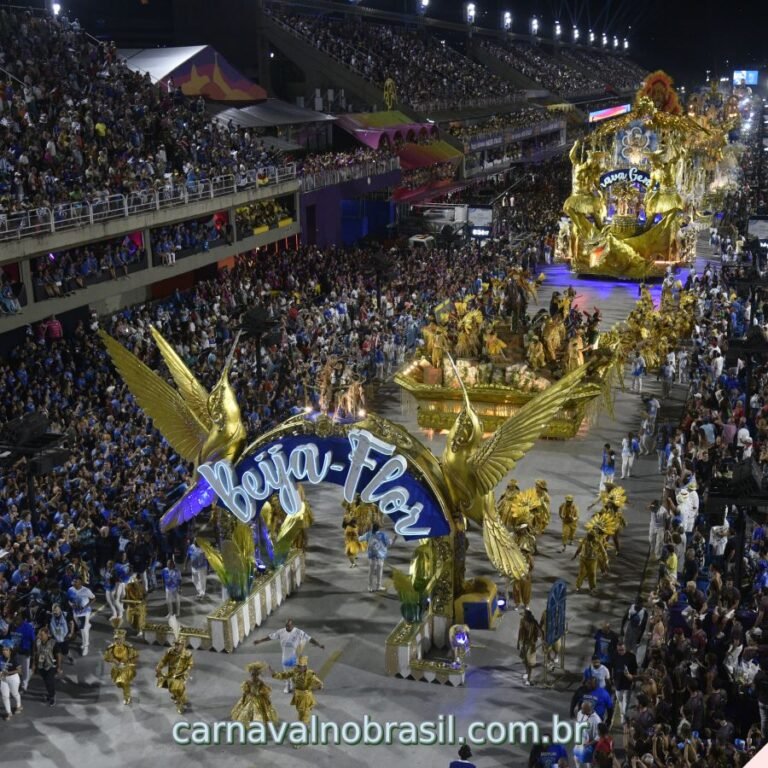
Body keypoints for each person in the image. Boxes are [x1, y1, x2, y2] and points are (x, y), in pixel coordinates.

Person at [253, 619, 324, 694]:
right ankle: (288, 685)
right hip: (285, 656)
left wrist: (319, 645)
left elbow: (309, 638)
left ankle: (301, 685)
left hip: (295, 657)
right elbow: (270, 637)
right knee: (286, 673)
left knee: (297, 673)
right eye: (286, 626)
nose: (288, 627)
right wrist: (260, 641)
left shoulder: (299, 632)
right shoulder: (281, 632)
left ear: (292, 625)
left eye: (289, 625)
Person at [269, 655, 323, 724]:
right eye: (297, 665)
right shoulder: (295, 671)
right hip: (298, 696)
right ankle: (303, 725)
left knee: (305, 714)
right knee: (300, 713)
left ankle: (305, 728)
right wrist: (274, 674)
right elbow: (285, 675)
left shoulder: (309, 674)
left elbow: (318, 682)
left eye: (300, 666)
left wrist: (318, 686)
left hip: (305, 697)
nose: (297, 667)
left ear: (304, 667)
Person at [155, 633, 194, 714]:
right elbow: (164, 661)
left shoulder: (187, 654)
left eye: (178, 645)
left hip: (181, 675)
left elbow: (190, 664)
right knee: (172, 689)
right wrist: (159, 666)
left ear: (182, 645)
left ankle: (180, 704)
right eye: (175, 644)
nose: (176, 646)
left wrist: (187, 670)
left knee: (177, 688)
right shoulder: (170, 652)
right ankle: (181, 697)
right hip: (171, 675)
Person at [103, 628, 139, 705]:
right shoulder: (111, 647)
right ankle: (125, 690)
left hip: (126, 669)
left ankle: (127, 697)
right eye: (117, 639)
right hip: (116, 669)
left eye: (120, 639)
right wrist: (113, 660)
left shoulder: (128, 647)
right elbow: (106, 657)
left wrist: (128, 662)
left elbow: (136, 656)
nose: (118, 641)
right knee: (119, 684)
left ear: (124, 639)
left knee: (125, 683)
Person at [358, 522, 392, 592]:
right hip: (380, 556)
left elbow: (360, 539)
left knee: (371, 571)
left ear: (372, 527)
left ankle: (370, 587)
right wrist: (394, 538)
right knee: (379, 571)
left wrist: (360, 533)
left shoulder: (368, 534)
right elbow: (389, 543)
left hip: (371, 555)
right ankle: (378, 586)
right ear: (379, 528)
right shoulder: (383, 535)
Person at [67, 575, 95, 655]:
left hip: (85, 612)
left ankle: (85, 646)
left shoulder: (86, 590)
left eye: (76, 581)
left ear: (80, 583)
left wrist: (86, 606)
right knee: (82, 627)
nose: (74, 583)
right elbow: (69, 600)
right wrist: (71, 605)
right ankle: (88, 625)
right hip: (75, 612)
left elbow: (93, 598)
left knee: (83, 629)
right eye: (74, 581)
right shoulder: (70, 589)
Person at [611, 640, 637, 725]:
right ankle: (623, 715)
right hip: (618, 683)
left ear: (625, 648)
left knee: (626, 702)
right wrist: (612, 680)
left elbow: (635, 670)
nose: (620, 652)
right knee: (620, 701)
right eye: (619, 650)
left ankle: (623, 717)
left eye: (622, 650)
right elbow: (612, 668)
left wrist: (633, 680)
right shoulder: (614, 656)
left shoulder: (631, 657)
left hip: (627, 683)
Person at [32, 626, 58, 706]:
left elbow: (59, 655)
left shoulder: (53, 642)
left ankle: (52, 697)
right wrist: (34, 664)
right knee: (46, 681)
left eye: (41, 635)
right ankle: (50, 694)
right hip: (41, 665)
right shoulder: (37, 641)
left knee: (49, 681)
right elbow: (35, 653)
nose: (39, 636)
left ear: (47, 635)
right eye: (39, 635)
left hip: (50, 666)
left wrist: (59, 666)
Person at [518, 608, 541, 687]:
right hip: (524, 644)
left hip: (530, 645)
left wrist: (536, 636)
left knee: (530, 663)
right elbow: (520, 633)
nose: (523, 617)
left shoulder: (533, 623)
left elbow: (539, 632)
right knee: (525, 661)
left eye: (524, 615)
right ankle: (527, 673)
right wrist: (520, 642)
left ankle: (529, 679)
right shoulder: (523, 621)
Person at [0, 643, 22, 720]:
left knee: (14, 693)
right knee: (5, 696)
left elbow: (19, 671)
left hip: (13, 678)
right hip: (3, 679)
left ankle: (19, 706)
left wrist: (8, 673)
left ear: (10, 651)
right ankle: (8, 713)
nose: (4, 651)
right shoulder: (0, 658)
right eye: (3, 650)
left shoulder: (14, 658)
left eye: (6, 650)